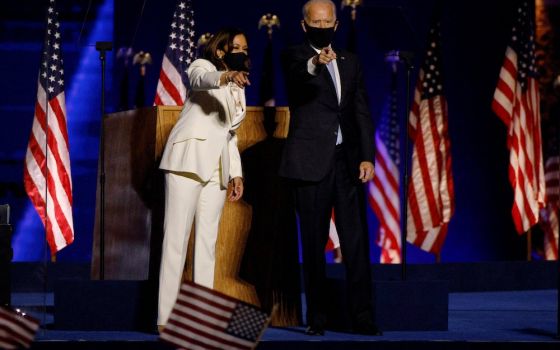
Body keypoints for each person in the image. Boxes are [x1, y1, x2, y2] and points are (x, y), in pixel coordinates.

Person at [280, 0, 381, 336]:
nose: (322, 27)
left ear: (337, 25)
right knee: (313, 241)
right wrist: (314, 62)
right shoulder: (294, 55)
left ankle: (363, 317)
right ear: (304, 24)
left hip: (347, 163)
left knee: (356, 242)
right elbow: (298, 78)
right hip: (309, 163)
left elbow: (360, 110)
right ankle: (318, 318)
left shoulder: (351, 61)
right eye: (315, 22)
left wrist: (367, 156)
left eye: (327, 23)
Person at [157, 27, 251, 328]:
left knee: (207, 244)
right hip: (187, 160)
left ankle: (201, 319)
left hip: (217, 167)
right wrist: (225, 77)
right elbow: (200, 81)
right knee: (176, 240)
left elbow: (229, 133)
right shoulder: (204, 66)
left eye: (246, 48)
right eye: (237, 47)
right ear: (221, 50)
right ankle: (167, 318)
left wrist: (236, 173)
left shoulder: (240, 86)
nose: (243, 52)